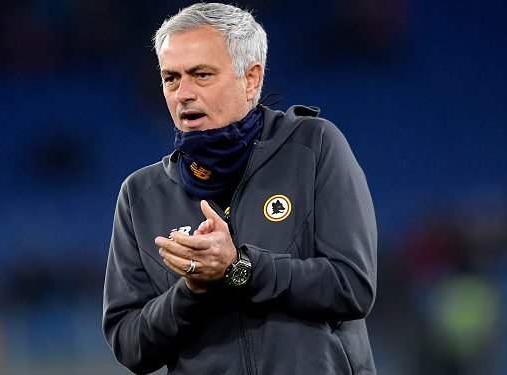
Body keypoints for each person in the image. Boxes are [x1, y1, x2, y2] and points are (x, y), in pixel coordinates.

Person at [103, 3, 377, 374]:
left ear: (250, 79)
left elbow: (352, 287)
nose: (183, 93)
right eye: (171, 78)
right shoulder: (141, 195)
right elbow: (130, 344)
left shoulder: (313, 147)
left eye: (201, 75)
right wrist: (192, 290)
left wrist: (239, 268)